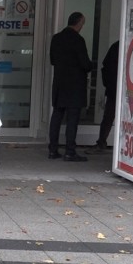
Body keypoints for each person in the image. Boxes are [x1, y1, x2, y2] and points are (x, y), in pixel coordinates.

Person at [47, 12, 93, 162]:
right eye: (82, 24)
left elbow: (52, 60)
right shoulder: (78, 40)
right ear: (78, 23)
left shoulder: (56, 38)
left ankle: (53, 150)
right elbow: (85, 64)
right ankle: (69, 151)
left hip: (60, 82)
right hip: (75, 84)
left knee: (57, 115)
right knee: (73, 118)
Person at [88, 40, 119, 154]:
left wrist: (108, 84)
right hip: (118, 89)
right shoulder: (119, 46)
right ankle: (102, 142)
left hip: (113, 89)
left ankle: (101, 142)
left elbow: (105, 66)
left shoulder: (116, 46)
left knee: (108, 117)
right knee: (109, 117)